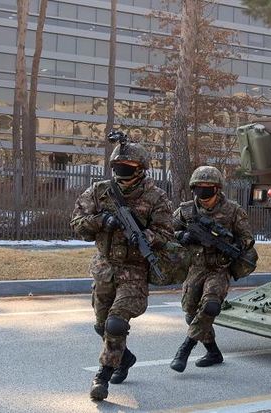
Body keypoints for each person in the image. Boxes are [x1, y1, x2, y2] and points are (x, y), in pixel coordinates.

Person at [71, 140, 173, 401]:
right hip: (104, 268)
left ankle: (102, 377)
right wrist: (102, 220)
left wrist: (145, 237)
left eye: (128, 167)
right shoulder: (100, 191)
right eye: (117, 166)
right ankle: (124, 358)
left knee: (116, 324)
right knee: (102, 326)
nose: (121, 172)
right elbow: (78, 224)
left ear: (141, 169)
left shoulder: (156, 197)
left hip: (135, 271)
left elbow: (166, 233)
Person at [169, 166, 254, 372]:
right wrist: (181, 236)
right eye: (198, 188)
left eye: (208, 188)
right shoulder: (187, 210)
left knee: (210, 306)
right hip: (196, 267)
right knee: (191, 314)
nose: (202, 192)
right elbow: (165, 230)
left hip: (219, 268)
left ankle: (184, 350)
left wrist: (231, 242)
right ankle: (213, 352)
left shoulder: (233, 210)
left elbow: (247, 239)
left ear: (217, 189)